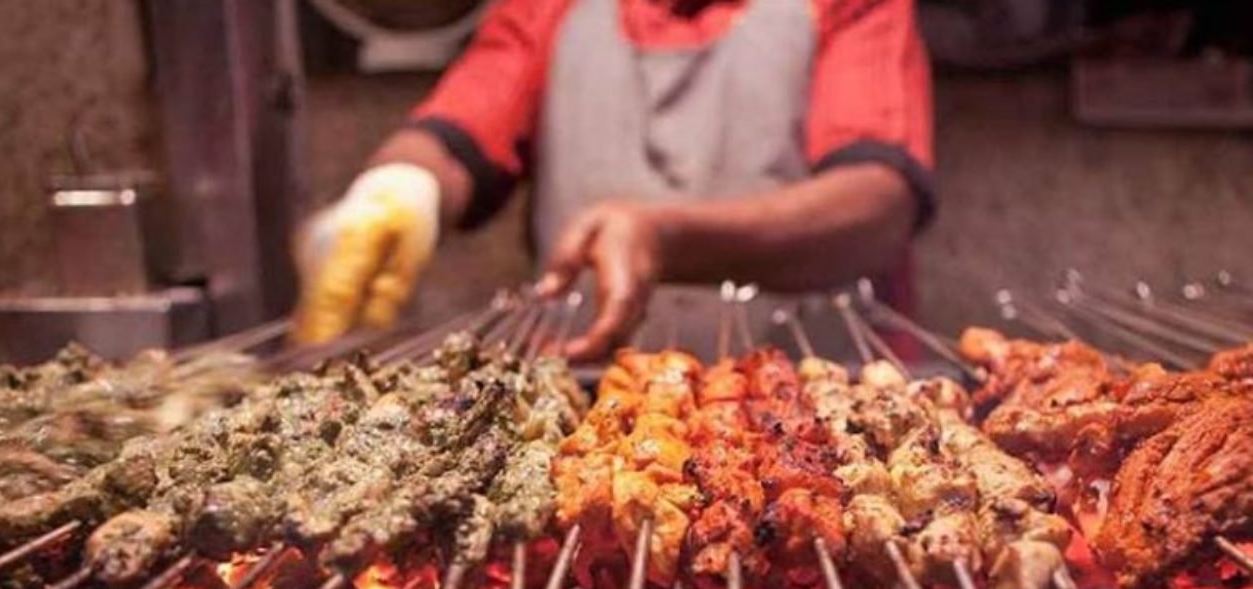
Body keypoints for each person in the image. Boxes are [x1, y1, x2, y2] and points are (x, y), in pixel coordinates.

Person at [293, 0, 934, 360]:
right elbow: (462, 123)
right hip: (590, 403)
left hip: (819, 405)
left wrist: (664, 238)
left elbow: (878, 204)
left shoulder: (854, 6)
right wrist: (401, 189)